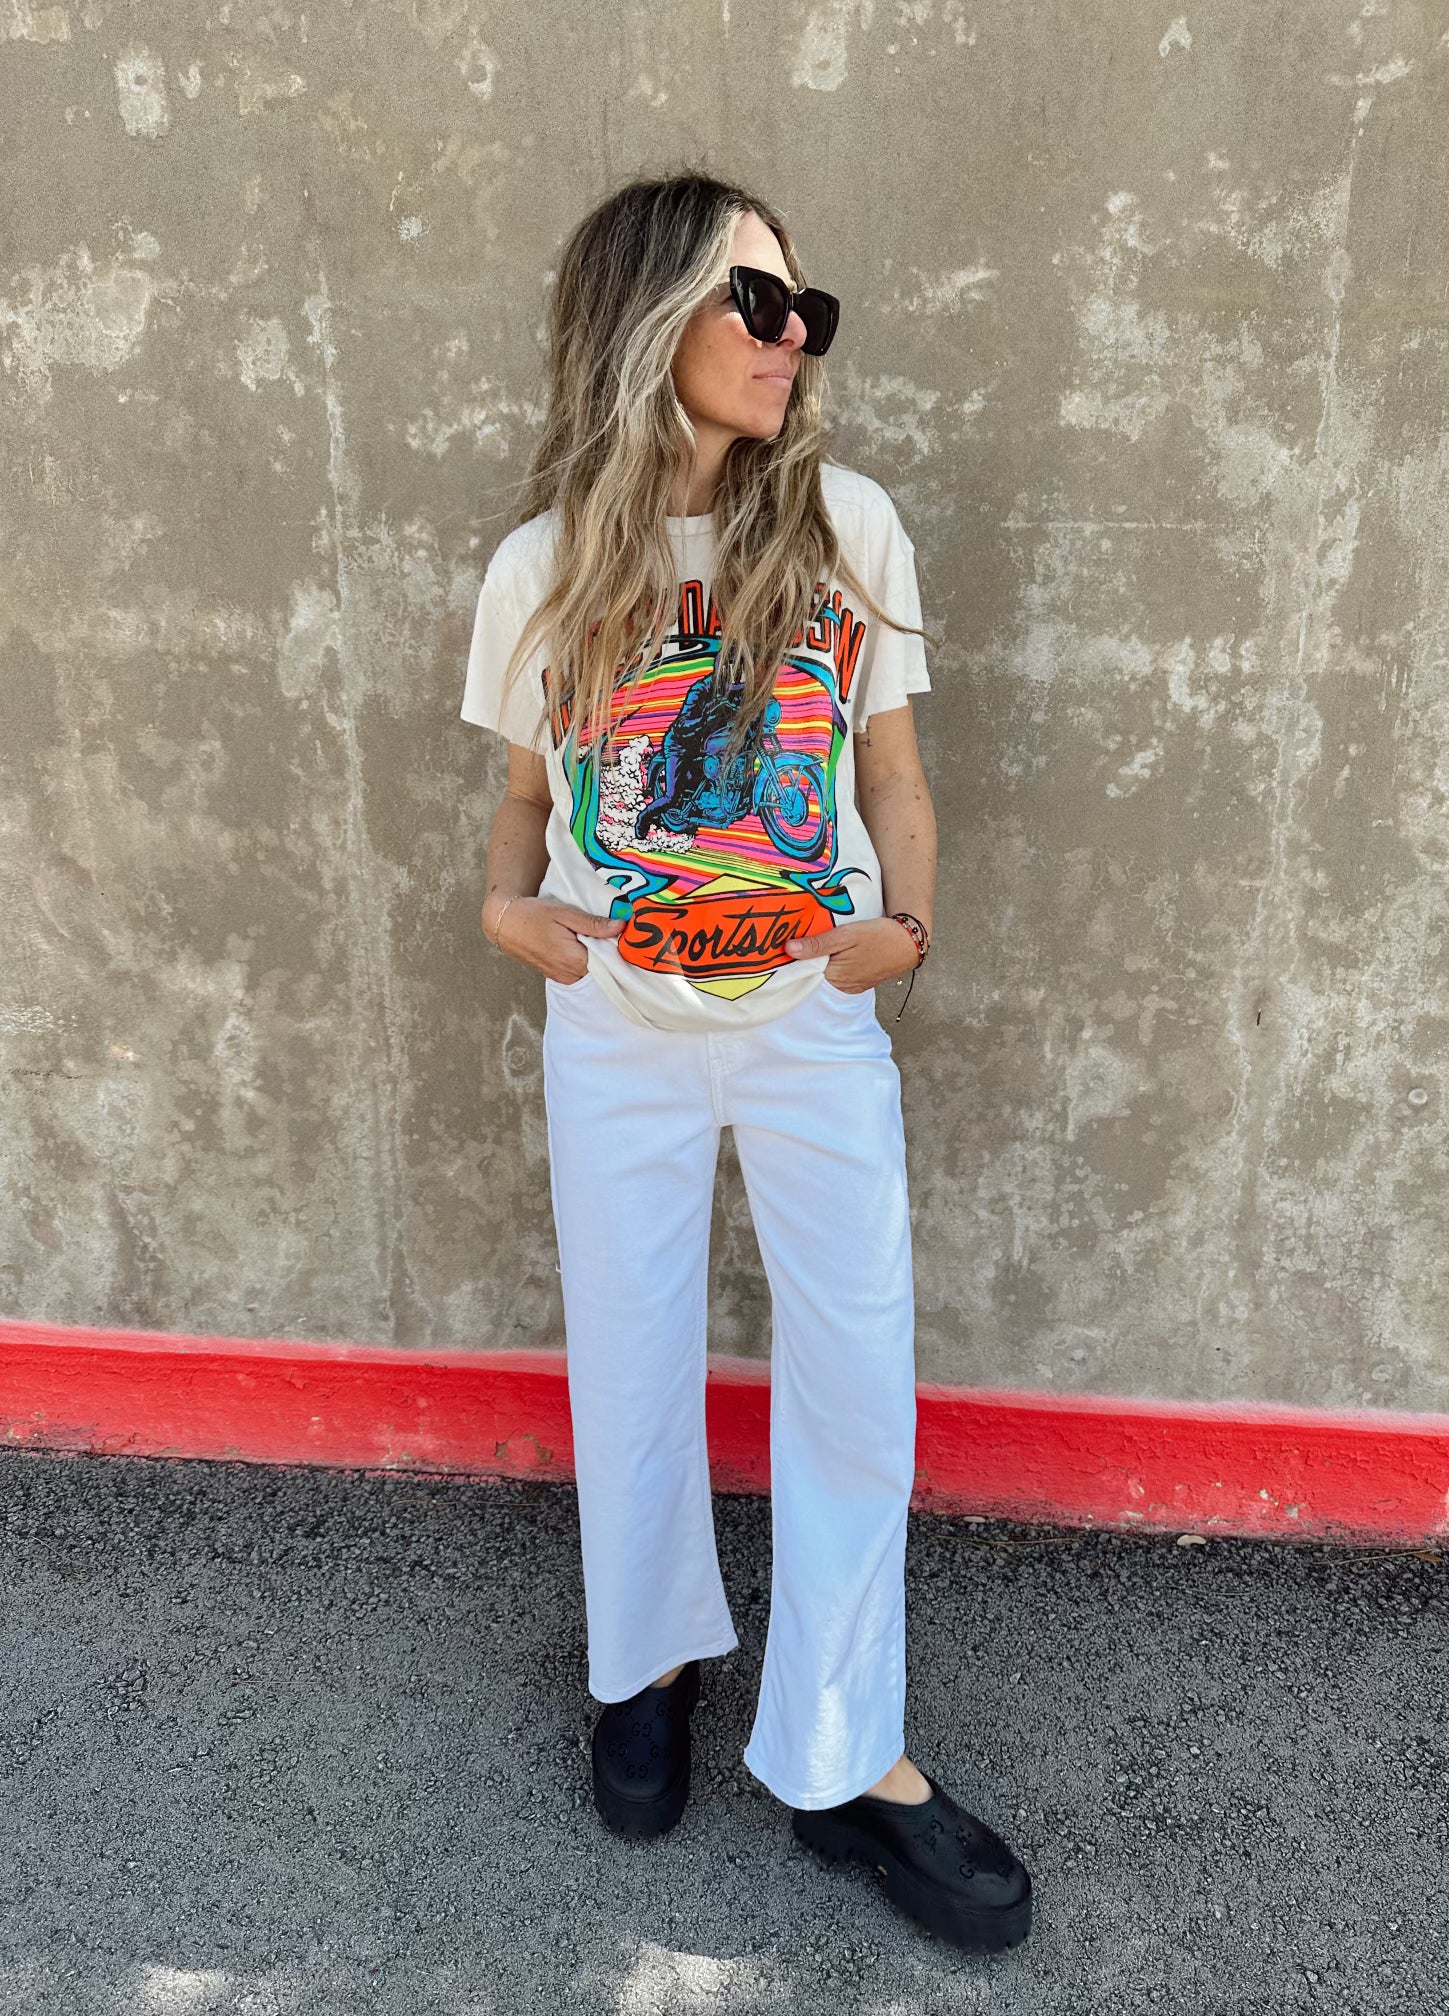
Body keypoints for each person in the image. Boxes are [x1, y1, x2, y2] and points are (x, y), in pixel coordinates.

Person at [461, 168, 1033, 1956]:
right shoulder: (546, 565)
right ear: (651, 324)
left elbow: (894, 779)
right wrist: (505, 911)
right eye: (758, 305)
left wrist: (904, 932)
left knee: (857, 1375)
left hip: (807, 1019)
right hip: (614, 1024)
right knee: (629, 1355)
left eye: (807, 312)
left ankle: (848, 1753)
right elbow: (522, 798)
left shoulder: (848, 526)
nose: (794, 341)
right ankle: (645, 1663)